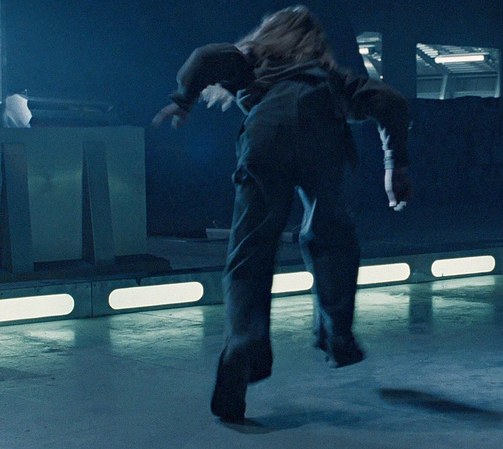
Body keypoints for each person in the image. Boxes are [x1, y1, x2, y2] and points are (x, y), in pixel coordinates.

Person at [153, 5, 411, 422]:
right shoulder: (329, 76)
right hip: (322, 133)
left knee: (250, 251)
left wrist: (184, 100)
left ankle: (243, 344)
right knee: (331, 236)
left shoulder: (253, 62)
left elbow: (204, 56)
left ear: (269, 34)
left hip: (267, 134)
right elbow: (392, 102)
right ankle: (337, 335)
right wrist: (395, 164)